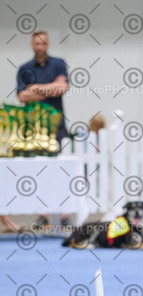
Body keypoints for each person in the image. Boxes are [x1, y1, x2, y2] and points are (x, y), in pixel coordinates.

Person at [16, 29, 70, 230]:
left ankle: (62, 214)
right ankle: (43, 214)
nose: (40, 47)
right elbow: (22, 97)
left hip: (57, 127)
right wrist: (50, 88)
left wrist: (35, 89)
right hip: (34, 128)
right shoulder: (24, 69)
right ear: (32, 45)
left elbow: (62, 88)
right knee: (38, 171)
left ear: (47, 44)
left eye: (43, 43)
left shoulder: (59, 64)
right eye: (37, 43)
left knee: (60, 171)